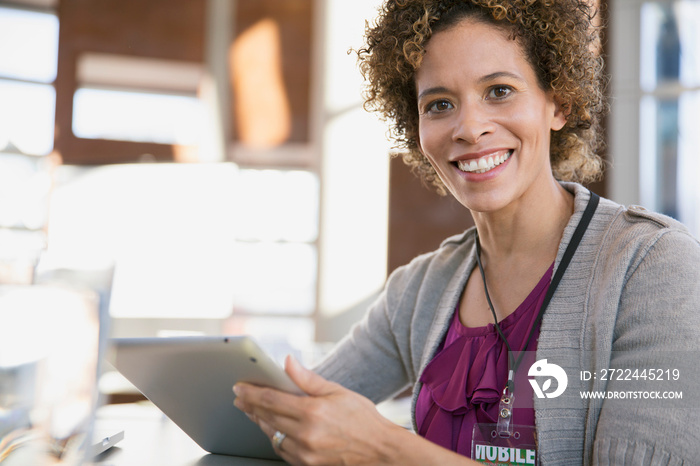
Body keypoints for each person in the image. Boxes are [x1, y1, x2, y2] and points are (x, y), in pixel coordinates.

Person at [233, 0, 700, 464]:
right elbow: (286, 419)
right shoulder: (420, 291)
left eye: (498, 91)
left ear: (558, 103)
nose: (469, 128)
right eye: (439, 104)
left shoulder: (654, 267)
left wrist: (384, 449)